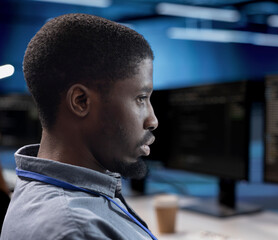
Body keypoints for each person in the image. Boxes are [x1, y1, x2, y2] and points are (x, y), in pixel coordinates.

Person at [1, 13, 159, 240]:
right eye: (141, 98)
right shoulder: (76, 229)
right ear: (81, 101)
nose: (153, 120)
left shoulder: (67, 194)